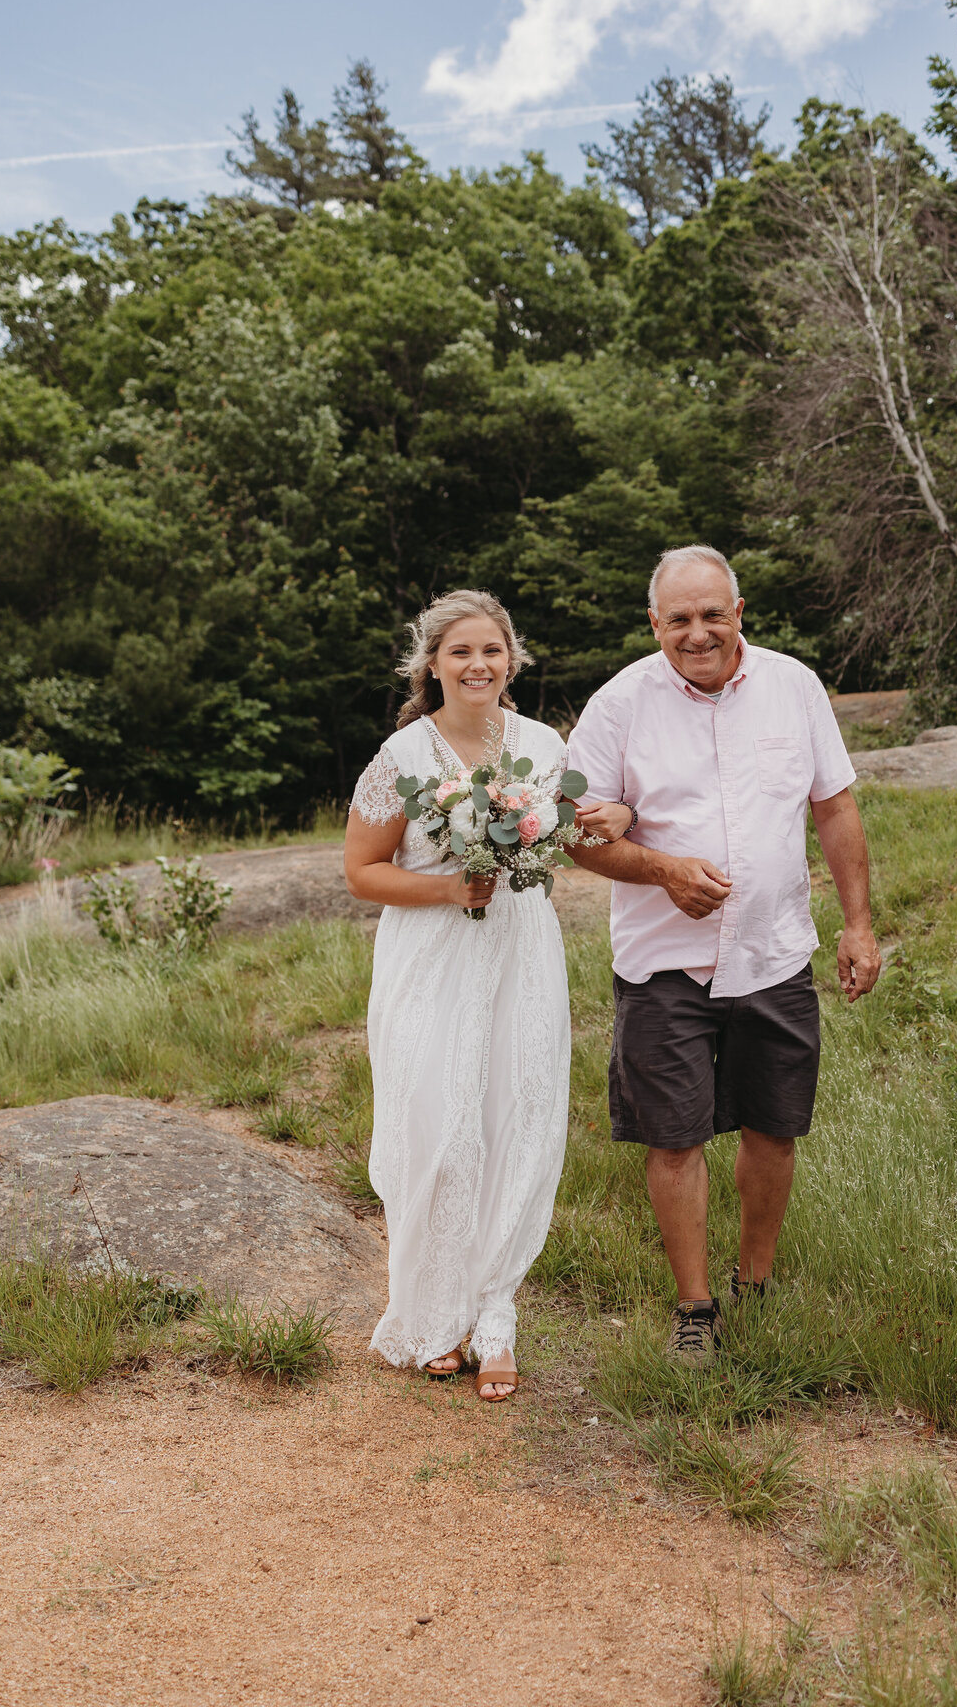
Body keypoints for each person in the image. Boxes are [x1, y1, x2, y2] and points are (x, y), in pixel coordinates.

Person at [566, 545, 881, 1367]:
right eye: (679, 620)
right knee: (675, 1139)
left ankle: (758, 1283)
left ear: (740, 612)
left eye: (713, 615)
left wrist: (858, 924)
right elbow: (577, 835)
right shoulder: (617, 706)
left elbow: (835, 807)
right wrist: (661, 870)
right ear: (655, 624)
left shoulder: (793, 685)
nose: (697, 633)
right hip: (663, 960)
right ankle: (695, 1307)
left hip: (774, 951)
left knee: (774, 1128)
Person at [344, 589, 631, 1400]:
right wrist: (450, 891)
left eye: (492, 651)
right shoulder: (401, 757)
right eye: (460, 652)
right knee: (434, 1125)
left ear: (512, 660)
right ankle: (432, 1313)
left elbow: (570, 830)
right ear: (431, 665)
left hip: (519, 954)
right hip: (430, 957)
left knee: (516, 1116)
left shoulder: (543, 743)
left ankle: (495, 1314)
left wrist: (612, 813)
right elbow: (361, 871)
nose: (478, 665)